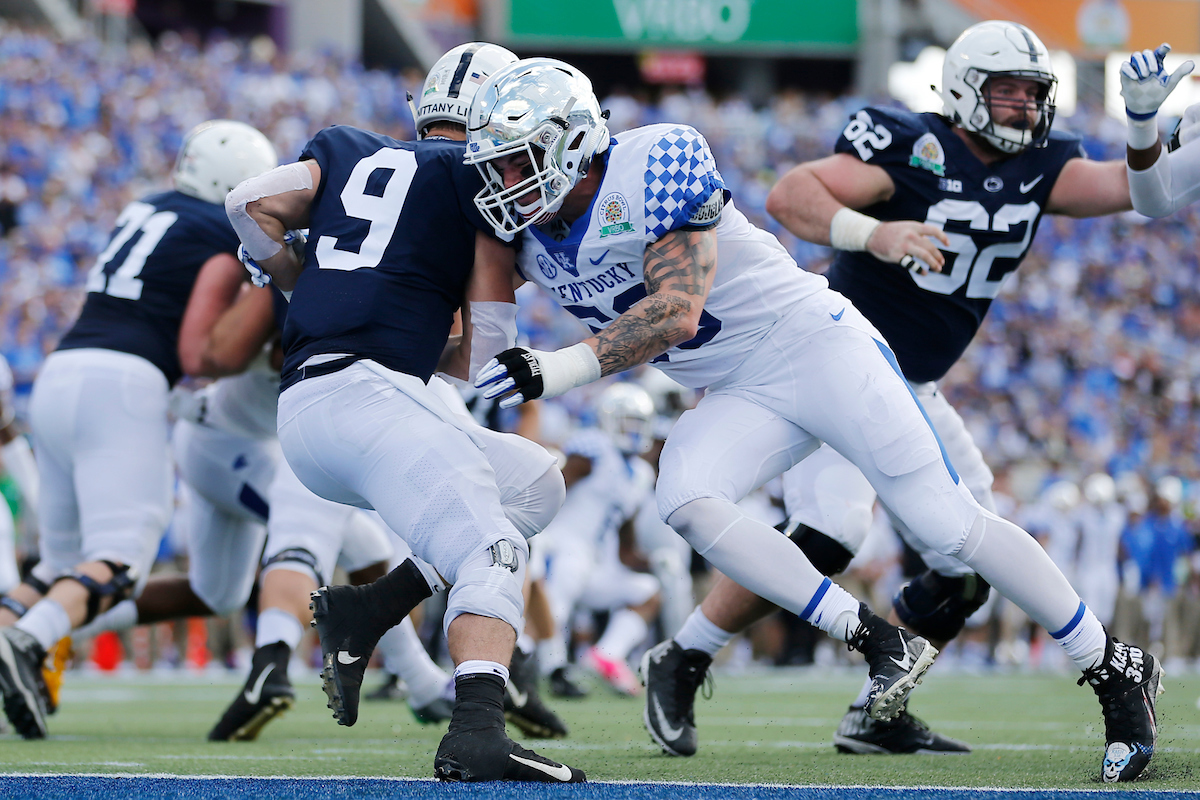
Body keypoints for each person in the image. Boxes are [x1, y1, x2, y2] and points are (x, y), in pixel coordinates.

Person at [465, 52, 1161, 783]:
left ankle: (1113, 665)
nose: (508, 183)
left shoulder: (656, 160)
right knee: (685, 497)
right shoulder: (516, 230)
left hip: (813, 345)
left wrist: (553, 367)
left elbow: (675, 312)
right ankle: (870, 639)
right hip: (736, 389)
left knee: (946, 523)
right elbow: (475, 327)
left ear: (573, 141)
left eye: (520, 161)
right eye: (499, 166)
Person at [643, 22, 1175, 773]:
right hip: (838, 366)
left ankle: (873, 710)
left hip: (914, 386)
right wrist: (875, 234)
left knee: (968, 565)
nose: (1025, 108)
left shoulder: (1046, 167)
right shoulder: (914, 146)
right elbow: (793, 193)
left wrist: (1154, 129)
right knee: (831, 530)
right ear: (963, 90)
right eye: (1008, 92)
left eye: (1035, 93)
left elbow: (1138, 188)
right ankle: (686, 655)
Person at [222, 46, 584, 782]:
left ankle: (372, 608)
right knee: (492, 550)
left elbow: (246, 204)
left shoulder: (347, 151)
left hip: (311, 405)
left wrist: (303, 281)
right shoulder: (482, 179)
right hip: (371, 394)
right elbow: (487, 358)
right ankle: (476, 728)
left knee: (533, 485)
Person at [0, 120, 277, 740]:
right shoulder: (222, 228)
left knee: (61, 562)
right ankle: (27, 639)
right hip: (124, 384)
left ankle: (13, 629)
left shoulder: (144, 207)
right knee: (121, 558)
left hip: (60, 373)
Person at [536, 382, 661, 697]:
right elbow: (553, 487)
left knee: (648, 591)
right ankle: (554, 670)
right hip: (562, 545)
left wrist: (654, 561)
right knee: (563, 587)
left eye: (638, 424)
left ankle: (607, 655)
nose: (633, 431)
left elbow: (625, 544)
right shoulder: (593, 447)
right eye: (626, 422)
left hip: (596, 561)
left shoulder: (641, 475)